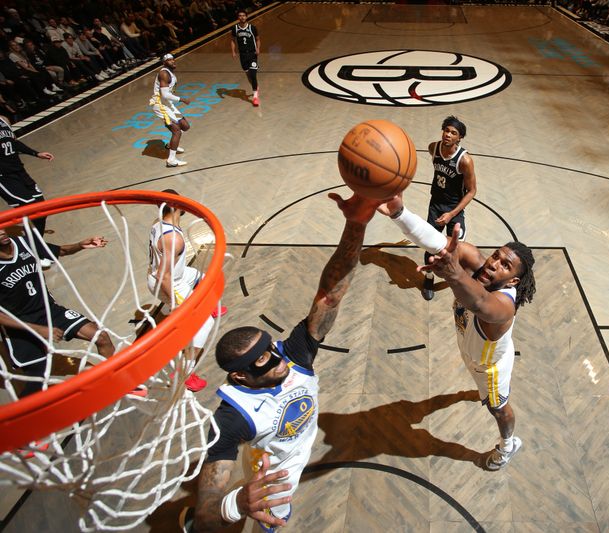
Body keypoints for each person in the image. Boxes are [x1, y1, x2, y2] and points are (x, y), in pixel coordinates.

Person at [182, 192, 381, 533]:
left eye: (271, 349)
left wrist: (357, 222)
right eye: (262, 360)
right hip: (273, 472)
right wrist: (235, 506)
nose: (278, 360)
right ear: (240, 377)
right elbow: (207, 513)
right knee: (267, 519)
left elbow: (330, 294)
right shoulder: (231, 418)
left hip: (282, 448)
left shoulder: (295, 356)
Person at [378, 193, 536, 470]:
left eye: (504, 265)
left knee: (497, 407)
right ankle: (473, 395)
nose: (494, 263)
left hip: (489, 368)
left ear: (512, 280)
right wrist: (399, 213)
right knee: (449, 250)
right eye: (496, 256)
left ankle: (508, 445)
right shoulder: (476, 263)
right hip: (469, 349)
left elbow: (480, 302)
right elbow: (437, 242)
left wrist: (453, 273)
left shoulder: (503, 308)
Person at [0, 228, 115, 397]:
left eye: (2, 226)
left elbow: (60, 250)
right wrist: (38, 330)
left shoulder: (24, 242)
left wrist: (80, 245)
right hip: (20, 325)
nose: (2, 231)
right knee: (37, 380)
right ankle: (28, 419)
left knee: (101, 337)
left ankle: (112, 380)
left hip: (49, 310)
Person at [147, 189, 226, 393]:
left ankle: (203, 305)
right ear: (178, 206)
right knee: (205, 323)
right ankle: (184, 373)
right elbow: (163, 276)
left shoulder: (159, 224)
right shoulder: (173, 238)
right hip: (169, 282)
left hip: (174, 275)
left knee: (202, 277)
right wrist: (176, 304)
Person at [422, 116, 477, 301]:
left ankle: (458, 280)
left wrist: (451, 214)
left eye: (453, 133)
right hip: (435, 204)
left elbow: (472, 191)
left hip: (454, 208)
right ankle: (428, 278)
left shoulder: (465, 161)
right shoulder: (433, 148)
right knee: (430, 246)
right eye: (446, 130)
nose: (448, 134)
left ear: (459, 138)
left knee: (456, 249)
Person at [0, 115, 53, 236]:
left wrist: (36, 153)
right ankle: (30, 243)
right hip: (4, 177)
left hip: (20, 171)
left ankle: (34, 242)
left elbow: (14, 143)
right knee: (31, 208)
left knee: (42, 209)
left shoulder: (3, 119)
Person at [150, 54, 190, 167]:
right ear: (164, 63)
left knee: (185, 126)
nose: (172, 61)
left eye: (173, 59)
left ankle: (170, 145)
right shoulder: (164, 73)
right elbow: (165, 94)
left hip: (167, 104)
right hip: (161, 105)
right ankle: (171, 160)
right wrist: (181, 99)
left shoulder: (170, 72)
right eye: (169, 60)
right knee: (176, 131)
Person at [230, 10, 261, 107]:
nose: (242, 17)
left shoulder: (252, 28)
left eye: (243, 15)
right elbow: (232, 40)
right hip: (242, 55)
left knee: (253, 74)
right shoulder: (235, 28)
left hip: (252, 54)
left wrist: (258, 48)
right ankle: (255, 86)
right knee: (248, 75)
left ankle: (255, 96)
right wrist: (233, 51)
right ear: (238, 18)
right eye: (240, 16)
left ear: (246, 17)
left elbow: (258, 39)